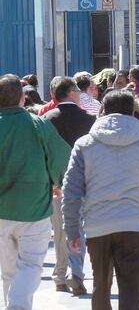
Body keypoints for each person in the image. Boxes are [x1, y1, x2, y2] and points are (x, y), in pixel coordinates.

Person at [62, 89, 139, 310]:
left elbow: (71, 192)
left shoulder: (84, 144)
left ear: (103, 110)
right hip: (133, 225)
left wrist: (71, 230)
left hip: (97, 226)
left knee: (100, 286)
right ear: (132, 111)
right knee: (132, 288)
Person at [0, 74, 71, 310]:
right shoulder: (37, 123)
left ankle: (14, 303)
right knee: (30, 265)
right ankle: (18, 306)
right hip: (35, 206)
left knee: (8, 268)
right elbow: (60, 157)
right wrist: (57, 181)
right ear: (22, 98)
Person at [42, 76, 95, 296]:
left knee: (60, 230)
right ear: (72, 92)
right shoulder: (90, 119)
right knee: (80, 230)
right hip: (84, 182)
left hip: (55, 184)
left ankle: (59, 274)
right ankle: (77, 272)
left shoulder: (45, 119)